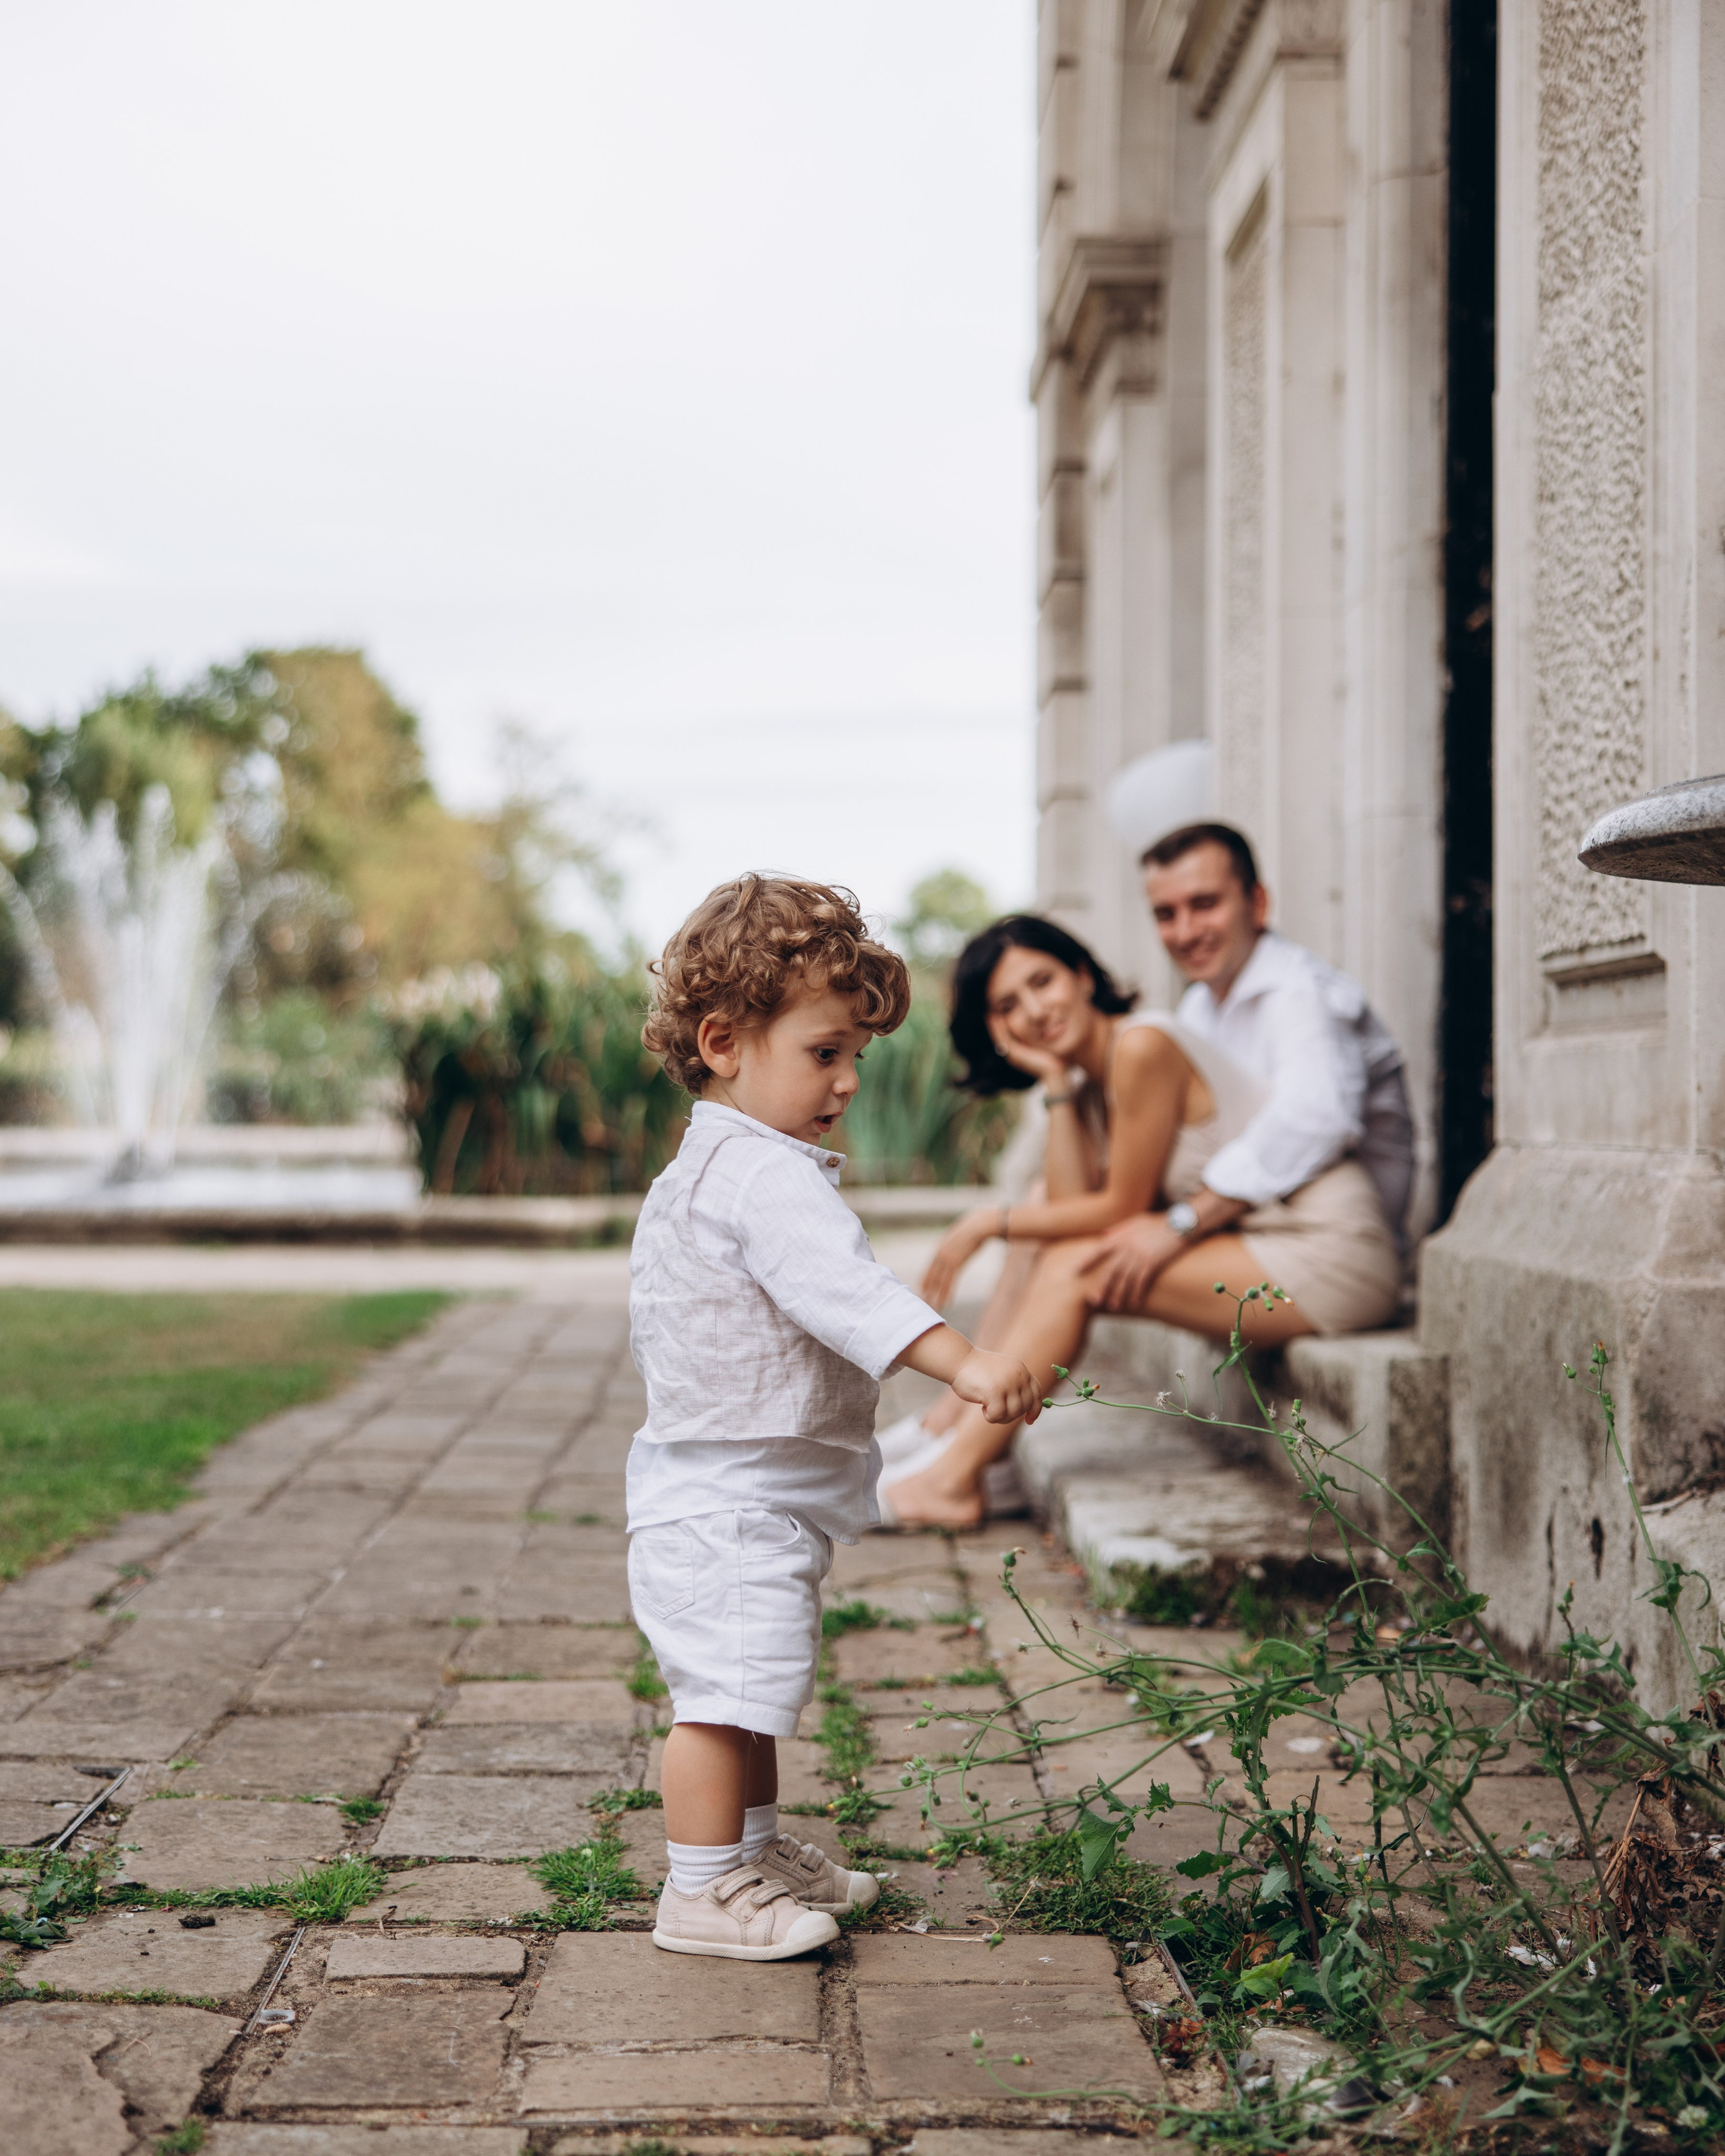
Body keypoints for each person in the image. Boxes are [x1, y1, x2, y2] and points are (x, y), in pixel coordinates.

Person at [629, 874, 1040, 1960]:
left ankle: (748, 1852)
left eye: (857, 1057)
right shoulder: (762, 1180)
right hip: (726, 1501)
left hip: (740, 1490)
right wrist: (966, 1364)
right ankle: (700, 1889)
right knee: (721, 1701)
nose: (850, 1081)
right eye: (825, 1054)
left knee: (750, 1684)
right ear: (724, 1041)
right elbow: (850, 1297)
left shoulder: (718, 1163)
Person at [878, 832, 1410, 1529]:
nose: (1033, 1012)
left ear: (1081, 973)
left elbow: (1119, 1208)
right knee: (1047, 1216)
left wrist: (987, 1222)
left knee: (1077, 1264)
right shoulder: (1179, 1020)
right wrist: (1059, 1082)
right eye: (1007, 1006)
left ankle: (951, 1475)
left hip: (1328, 1248)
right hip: (1263, 1238)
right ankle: (958, 1428)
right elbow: (1070, 1203)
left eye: (1042, 982)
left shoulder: (1170, 1034)